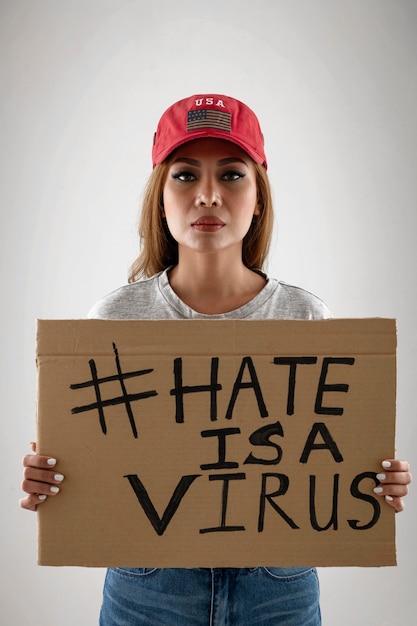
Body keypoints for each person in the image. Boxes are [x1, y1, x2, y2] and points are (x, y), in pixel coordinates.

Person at [20, 94, 412, 626]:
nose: (207, 195)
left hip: (278, 585)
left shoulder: (306, 316)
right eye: (184, 176)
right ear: (160, 199)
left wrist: (376, 479)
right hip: (148, 587)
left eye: (231, 175)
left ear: (259, 201)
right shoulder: (114, 318)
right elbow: (92, 455)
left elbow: (332, 454)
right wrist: (53, 476)